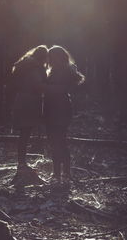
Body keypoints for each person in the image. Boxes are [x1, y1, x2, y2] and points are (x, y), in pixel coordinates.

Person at [43, 45, 85, 183]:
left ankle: (63, 173)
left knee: (59, 141)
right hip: (54, 109)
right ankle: (59, 173)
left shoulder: (64, 71)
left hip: (60, 109)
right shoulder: (54, 70)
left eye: (51, 57)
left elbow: (60, 89)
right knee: (56, 141)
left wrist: (44, 87)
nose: (49, 59)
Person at [11, 45, 48, 171]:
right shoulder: (34, 68)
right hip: (29, 101)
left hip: (22, 99)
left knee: (24, 133)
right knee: (25, 133)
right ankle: (21, 163)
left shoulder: (25, 65)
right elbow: (38, 85)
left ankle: (21, 162)